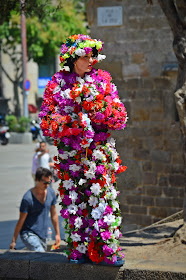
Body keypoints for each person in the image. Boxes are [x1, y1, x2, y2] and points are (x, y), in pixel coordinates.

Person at [39, 34, 128, 265]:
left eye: (93, 55)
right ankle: (78, 251)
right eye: (86, 56)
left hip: (98, 153)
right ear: (72, 59)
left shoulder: (103, 81)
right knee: (73, 201)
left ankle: (107, 251)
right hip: (71, 156)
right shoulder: (56, 84)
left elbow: (119, 117)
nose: (91, 60)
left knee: (102, 201)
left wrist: (100, 109)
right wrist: (72, 123)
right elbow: (47, 122)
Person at [9, 167, 61, 252]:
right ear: (37, 180)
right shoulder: (28, 198)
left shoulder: (51, 193)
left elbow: (54, 215)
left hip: (43, 234)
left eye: (49, 182)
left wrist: (58, 234)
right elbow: (21, 220)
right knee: (41, 254)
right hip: (29, 233)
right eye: (44, 182)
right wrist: (14, 241)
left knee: (40, 258)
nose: (47, 185)